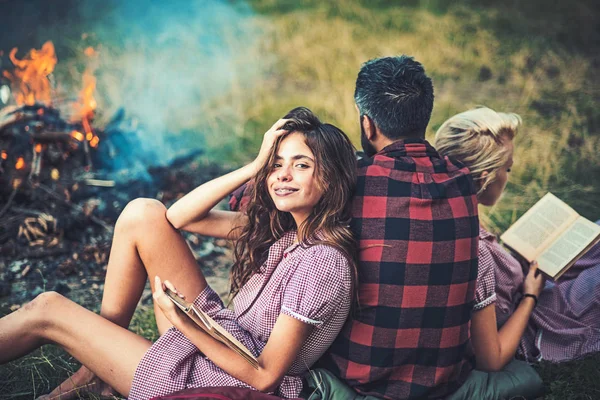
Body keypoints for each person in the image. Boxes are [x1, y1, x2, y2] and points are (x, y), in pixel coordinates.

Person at [0, 107, 358, 400]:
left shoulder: (323, 264)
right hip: (219, 338)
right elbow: (179, 217)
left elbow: (264, 377)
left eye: (301, 165)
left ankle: (101, 371)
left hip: (221, 383)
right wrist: (253, 167)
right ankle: (95, 373)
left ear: (331, 178)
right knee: (144, 214)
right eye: (276, 164)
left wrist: (187, 324)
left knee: (47, 309)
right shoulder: (289, 231)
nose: (282, 175)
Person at [230, 56, 480, 399]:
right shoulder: (463, 182)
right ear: (424, 115)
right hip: (445, 378)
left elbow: (250, 203)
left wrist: (267, 165)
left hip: (361, 378)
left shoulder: (357, 183)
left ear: (368, 125)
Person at [434, 106, 600, 367]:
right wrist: (530, 296)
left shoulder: (447, 210)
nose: (508, 177)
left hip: (524, 284)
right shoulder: (473, 254)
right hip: (534, 318)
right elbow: (491, 358)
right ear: (482, 178)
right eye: (507, 169)